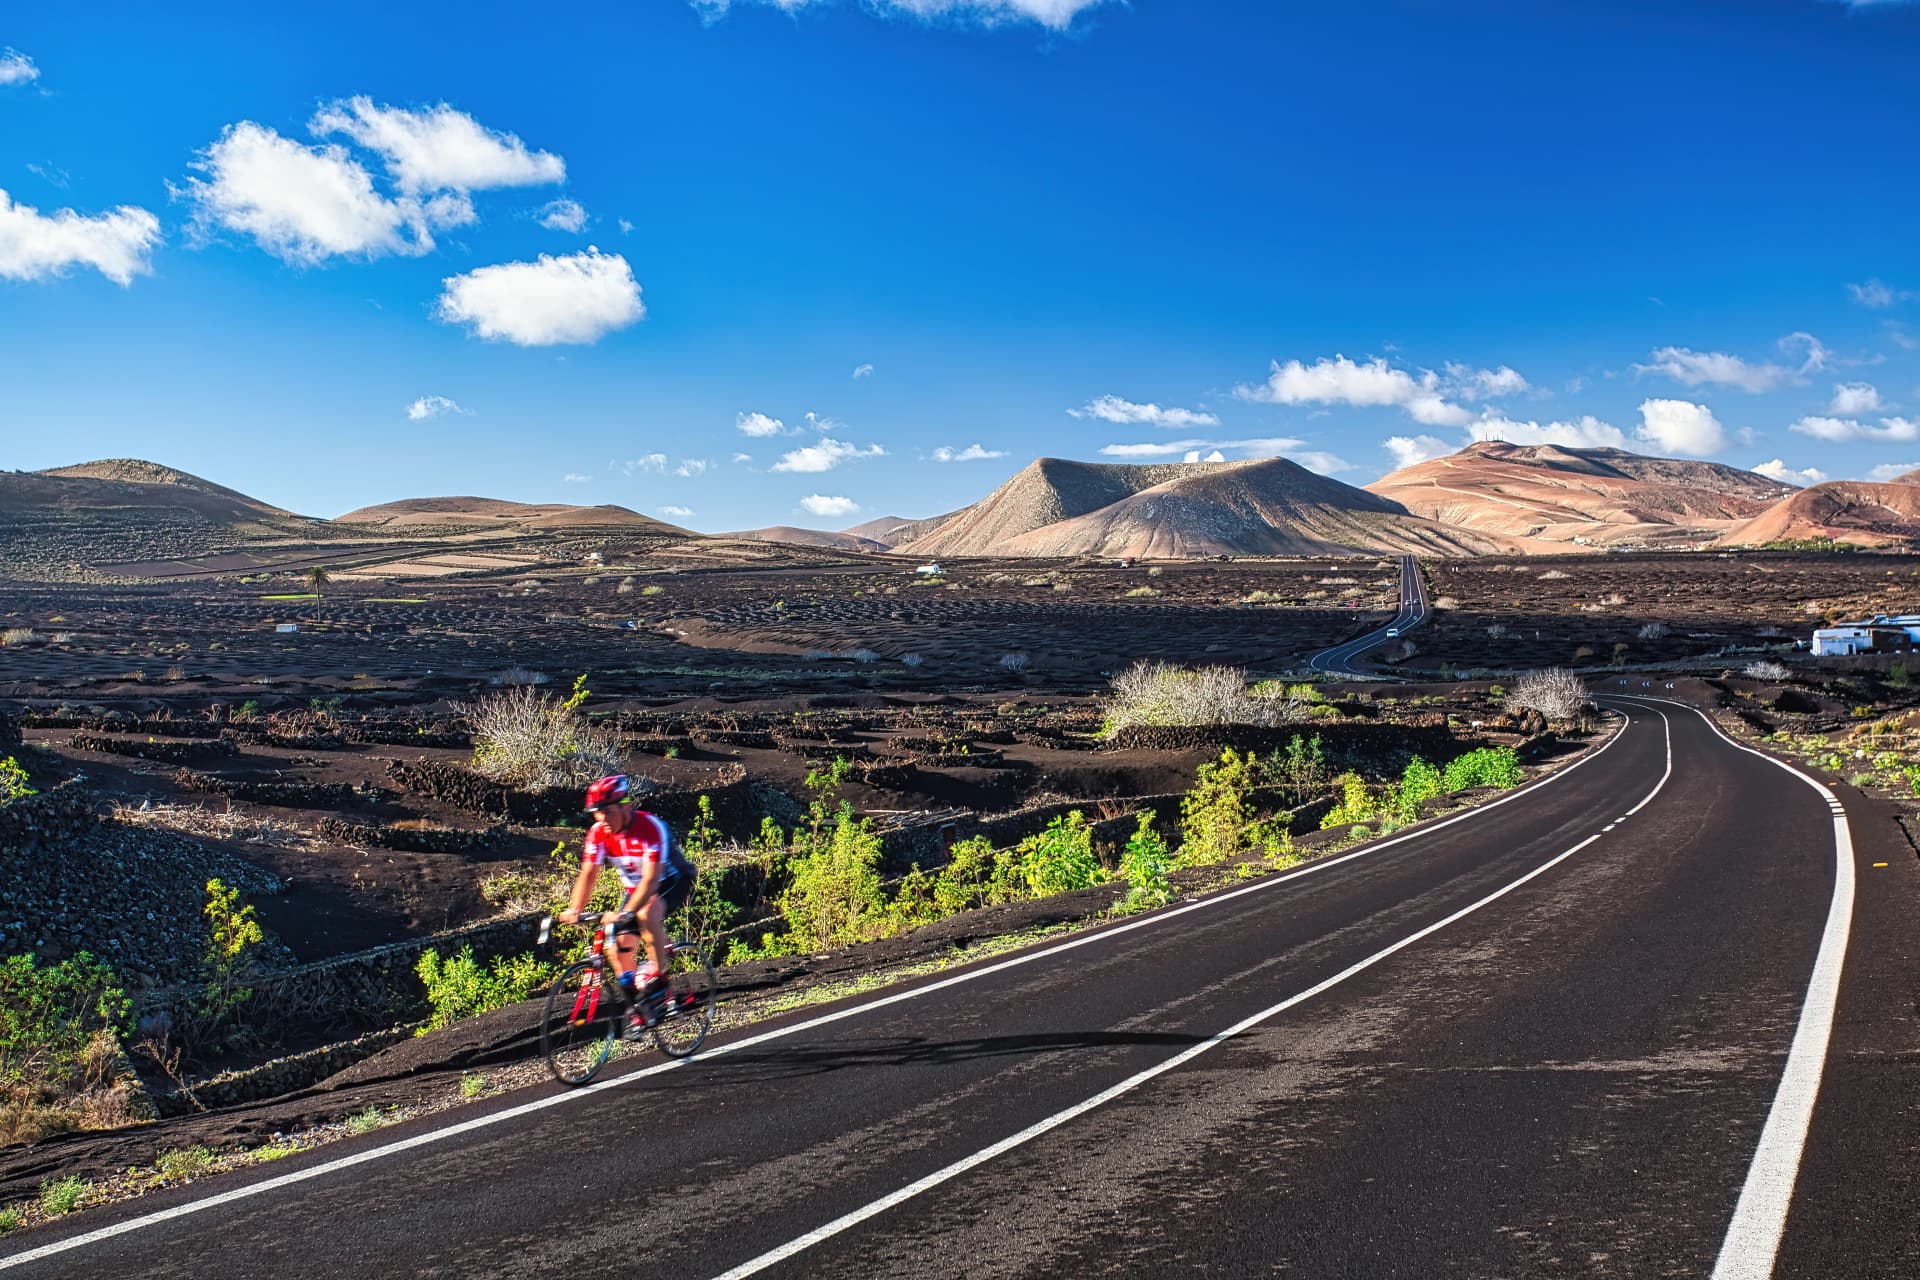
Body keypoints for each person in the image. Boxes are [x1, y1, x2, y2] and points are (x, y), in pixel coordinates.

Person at [561, 775, 695, 1037]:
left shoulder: (649, 828)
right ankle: (639, 1008)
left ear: (626, 807)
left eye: (608, 812)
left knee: (646, 912)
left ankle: (657, 982)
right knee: (615, 948)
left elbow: (651, 879)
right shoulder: (598, 833)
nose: (603, 820)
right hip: (636, 890)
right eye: (597, 814)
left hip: (671, 879)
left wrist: (625, 913)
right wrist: (574, 908)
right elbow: (589, 874)